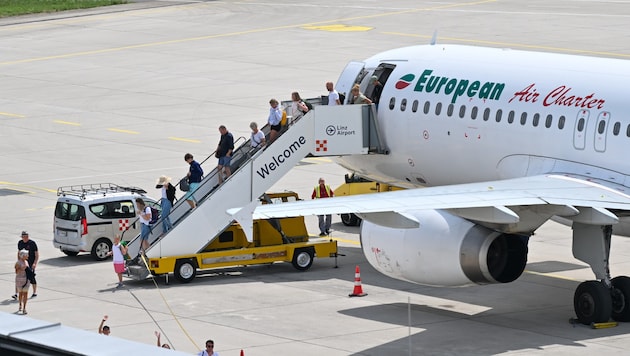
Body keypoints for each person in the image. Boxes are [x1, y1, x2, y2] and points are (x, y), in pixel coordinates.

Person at [15, 231, 38, 299]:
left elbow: (36, 254)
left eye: (25, 236)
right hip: (22, 263)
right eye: (23, 237)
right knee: (19, 278)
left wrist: (34, 263)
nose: (24, 238)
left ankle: (34, 292)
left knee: (31, 277)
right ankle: (16, 293)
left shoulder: (32, 243)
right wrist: (18, 261)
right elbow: (19, 252)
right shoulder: (20, 243)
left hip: (30, 263)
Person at [15, 249, 30, 315]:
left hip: (26, 280)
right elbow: (16, 272)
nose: (28, 256)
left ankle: (24, 308)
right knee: (21, 294)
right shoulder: (18, 263)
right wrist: (21, 268)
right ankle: (20, 305)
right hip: (19, 280)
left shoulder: (26, 262)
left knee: (25, 294)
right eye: (26, 255)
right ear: (23, 256)